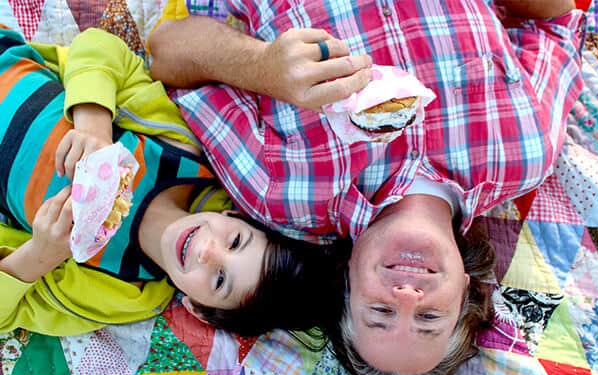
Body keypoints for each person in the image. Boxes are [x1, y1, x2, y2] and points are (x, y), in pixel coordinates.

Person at [148, 0, 585, 375]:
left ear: (348, 281)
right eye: (429, 319)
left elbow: (165, 50)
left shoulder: (280, 190)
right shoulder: (526, 152)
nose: (407, 296)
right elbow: (559, 23)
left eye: (380, 312)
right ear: (464, 290)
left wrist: (261, 66)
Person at [0, 26, 343, 337]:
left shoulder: (123, 292)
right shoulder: (180, 152)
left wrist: (41, 254)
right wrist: (94, 125)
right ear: (234, 217)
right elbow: (99, 45)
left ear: (199, 309)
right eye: (236, 241)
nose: (208, 252)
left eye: (220, 280)